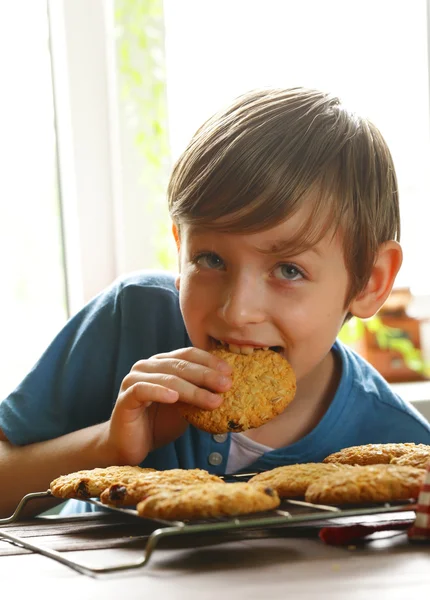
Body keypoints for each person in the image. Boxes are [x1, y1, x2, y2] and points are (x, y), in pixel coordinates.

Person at [1, 87, 430, 519]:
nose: (236, 311)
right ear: (180, 247)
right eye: (210, 260)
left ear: (370, 282)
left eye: (288, 270)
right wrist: (111, 444)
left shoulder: (403, 458)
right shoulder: (132, 317)